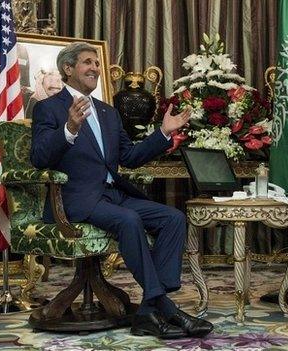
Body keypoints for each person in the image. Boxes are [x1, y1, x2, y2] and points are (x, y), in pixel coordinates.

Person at [31, 42, 213, 339]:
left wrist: (163, 133)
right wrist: (69, 129)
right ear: (68, 69)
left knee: (173, 218)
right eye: (87, 62)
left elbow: (128, 157)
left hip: (114, 194)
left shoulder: (108, 112)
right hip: (76, 199)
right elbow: (39, 158)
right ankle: (165, 309)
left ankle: (148, 310)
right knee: (129, 220)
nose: (94, 68)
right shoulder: (48, 108)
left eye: (96, 63)